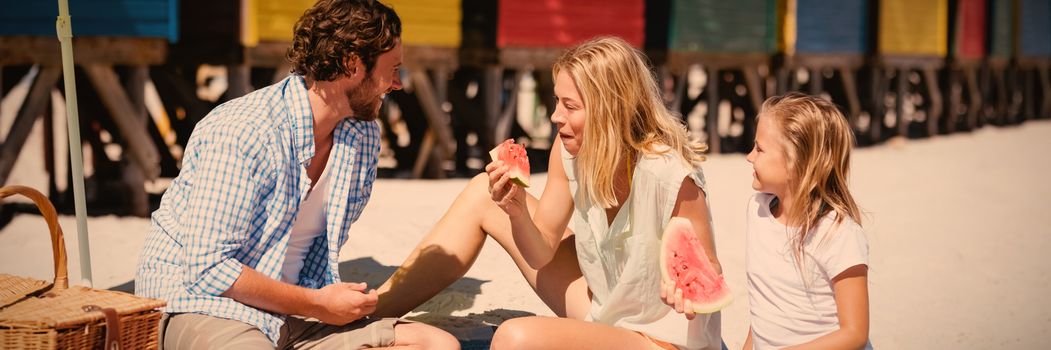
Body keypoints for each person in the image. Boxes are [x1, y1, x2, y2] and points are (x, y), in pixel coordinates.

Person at [135, 0, 458, 348]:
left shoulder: (362, 137)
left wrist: (321, 304)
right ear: (352, 64)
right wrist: (318, 303)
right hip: (207, 308)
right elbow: (207, 269)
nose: (397, 83)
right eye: (392, 69)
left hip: (294, 315)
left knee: (436, 344)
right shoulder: (244, 130)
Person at [373, 37, 724, 350]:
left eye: (570, 107)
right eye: (556, 101)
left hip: (661, 338)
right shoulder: (569, 149)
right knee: (483, 190)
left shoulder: (671, 175)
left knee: (514, 338)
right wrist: (515, 210)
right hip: (605, 308)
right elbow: (540, 252)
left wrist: (683, 290)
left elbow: (707, 271)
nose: (556, 116)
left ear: (610, 109)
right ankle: (367, 315)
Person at [741, 93, 871, 349]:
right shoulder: (757, 211)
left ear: (796, 163)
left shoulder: (838, 233)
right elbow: (765, 311)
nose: (749, 156)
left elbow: (855, 333)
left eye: (759, 148)